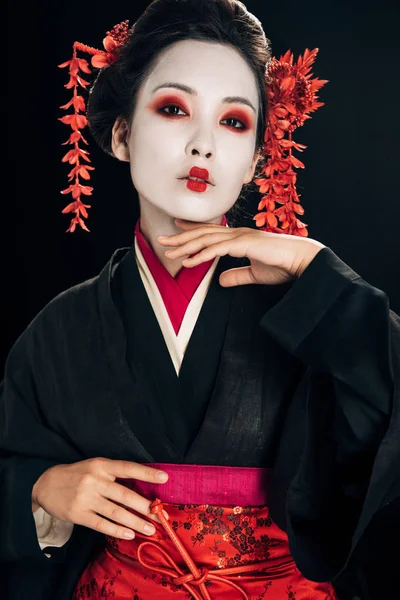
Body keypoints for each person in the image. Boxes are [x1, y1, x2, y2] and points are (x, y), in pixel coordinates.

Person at [1, 0, 399, 599]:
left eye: (234, 122)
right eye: (173, 108)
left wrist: (317, 274)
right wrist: (38, 490)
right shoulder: (60, 329)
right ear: (121, 134)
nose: (204, 145)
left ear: (256, 161)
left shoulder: (313, 307)